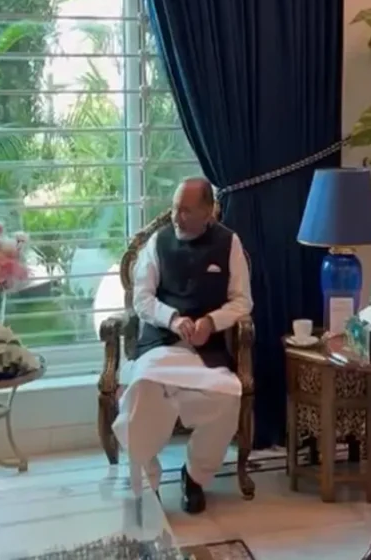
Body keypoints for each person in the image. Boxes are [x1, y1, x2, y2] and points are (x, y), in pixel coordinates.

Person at [112, 177, 252, 514]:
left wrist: (211, 322)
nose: (176, 217)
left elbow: (242, 301)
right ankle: (148, 485)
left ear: (208, 212)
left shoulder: (229, 243)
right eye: (175, 208)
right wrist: (173, 319)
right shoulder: (158, 242)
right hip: (160, 345)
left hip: (206, 352)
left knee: (228, 397)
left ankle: (195, 477)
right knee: (143, 390)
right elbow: (142, 299)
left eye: (186, 210)